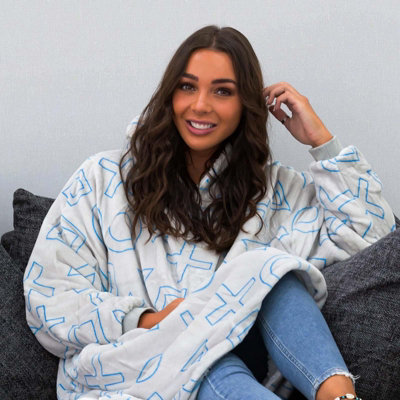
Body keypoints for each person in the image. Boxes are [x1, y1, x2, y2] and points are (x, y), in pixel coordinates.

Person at [23, 26, 395, 400]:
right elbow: (49, 295)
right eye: (187, 86)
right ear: (170, 94)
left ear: (245, 103)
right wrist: (148, 320)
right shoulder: (102, 179)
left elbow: (374, 245)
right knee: (212, 359)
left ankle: (340, 396)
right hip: (135, 366)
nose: (200, 105)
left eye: (222, 91)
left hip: (239, 363)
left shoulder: (275, 190)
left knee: (271, 272)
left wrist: (321, 142)